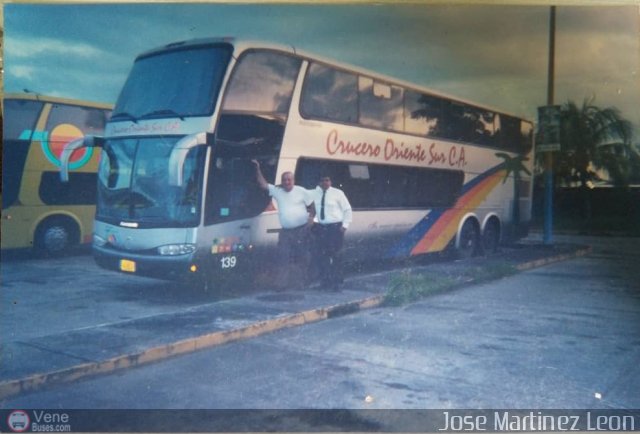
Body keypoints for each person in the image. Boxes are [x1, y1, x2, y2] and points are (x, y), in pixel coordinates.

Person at [252, 160, 315, 289]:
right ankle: (281, 285)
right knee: (282, 257)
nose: (287, 182)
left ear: (293, 180)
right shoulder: (277, 191)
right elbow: (263, 184)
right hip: (286, 232)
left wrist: (311, 219)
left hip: (302, 230)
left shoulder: (301, 191)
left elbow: (313, 206)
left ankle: (303, 283)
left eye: (289, 180)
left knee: (303, 258)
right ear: (282, 181)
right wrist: (257, 168)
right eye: (284, 180)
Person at [310, 175, 352, 290]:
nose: (325, 182)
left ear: (331, 181)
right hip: (321, 228)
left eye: (327, 180)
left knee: (336, 256)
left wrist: (345, 226)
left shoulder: (338, 193)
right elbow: (313, 209)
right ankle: (325, 283)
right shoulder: (315, 194)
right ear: (319, 182)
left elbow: (347, 209)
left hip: (335, 228)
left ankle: (336, 283)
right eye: (322, 180)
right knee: (322, 256)